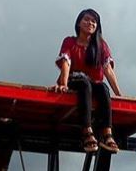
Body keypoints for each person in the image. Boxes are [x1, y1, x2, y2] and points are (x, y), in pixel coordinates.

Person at [52, 9, 122, 153]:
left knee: (103, 88)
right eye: (86, 19)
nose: (90, 23)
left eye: (94, 21)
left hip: (94, 84)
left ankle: (107, 133)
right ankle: (87, 131)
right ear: (79, 23)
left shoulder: (100, 45)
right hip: (75, 80)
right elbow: (66, 62)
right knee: (84, 84)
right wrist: (64, 85)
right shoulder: (70, 41)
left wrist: (119, 95)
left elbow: (108, 69)